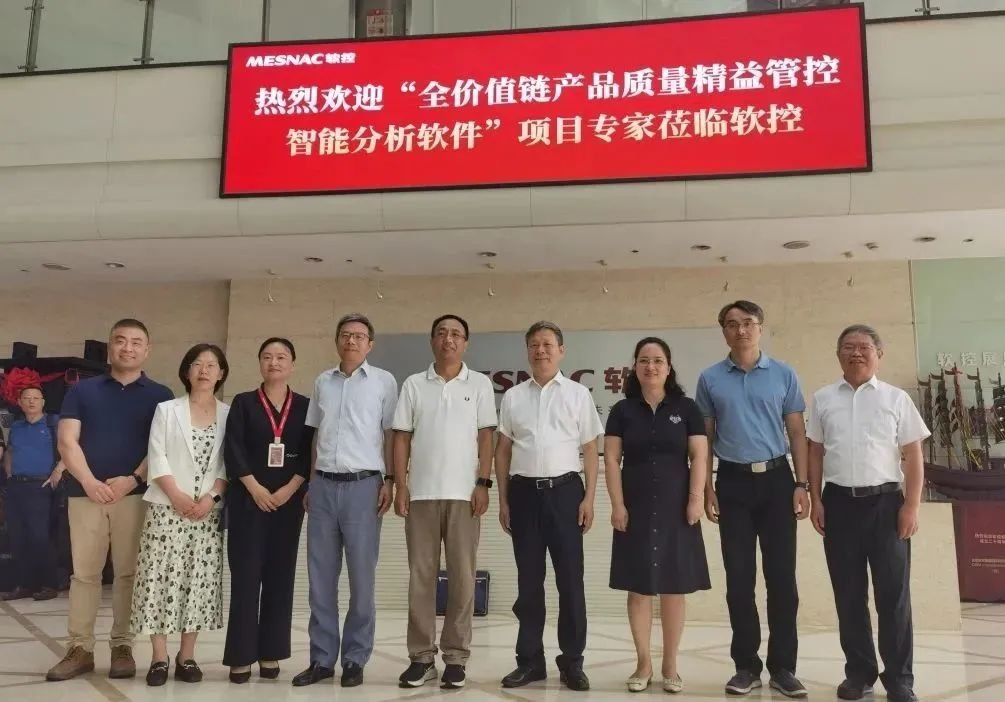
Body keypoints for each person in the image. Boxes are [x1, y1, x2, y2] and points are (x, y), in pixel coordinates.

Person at [47, 319, 173, 682]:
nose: (127, 348)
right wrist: (89, 482)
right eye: (120, 340)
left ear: (147, 350)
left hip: (135, 496)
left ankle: (122, 646)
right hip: (85, 495)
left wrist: (132, 479)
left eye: (136, 342)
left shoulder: (160, 395)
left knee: (128, 574)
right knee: (84, 574)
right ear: (109, 347)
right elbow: (67, 441)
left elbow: (162, 447)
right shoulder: (82, 391)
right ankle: (80, 648)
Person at [807, 325, 929, 702]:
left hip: (886, 505)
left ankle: (899, 679)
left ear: (879, 354)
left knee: (893, 596)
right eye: (848, 347)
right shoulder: (823, 398)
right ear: (838, 354)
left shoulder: (896, 398)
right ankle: (859, 673)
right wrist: (816, 499)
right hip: (839, 504)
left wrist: (911, 505)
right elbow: (815, 453)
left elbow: (913, 455)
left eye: (864, 347)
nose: (856, 353)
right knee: (848, 594)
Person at [695, 300, 809, 698]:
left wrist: (802, 484)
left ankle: (784, 667)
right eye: (731, 324)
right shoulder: (710, 378)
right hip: (732, 483)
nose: (740, 330)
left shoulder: (783, 374)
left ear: (760, 327)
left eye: (747, 323)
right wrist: (707, 487)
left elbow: (797, 432)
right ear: (723, 331)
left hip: (778, 481)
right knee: (739, 580)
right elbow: (705, 438)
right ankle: (746, 666)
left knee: (782, 580)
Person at [495, 320, 603, 692]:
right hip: (523, 495)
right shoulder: (513, 397)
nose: (540, 351)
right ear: (527, 351)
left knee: (570, 582)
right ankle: (529, 661)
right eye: (534, 345)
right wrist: (503, 499)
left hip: (566, 493)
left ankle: (572, 662)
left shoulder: (578, 394)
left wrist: (589, 498)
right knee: (529, 583)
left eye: (547, 344)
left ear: (561, 350)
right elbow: (503, 450)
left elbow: (590, 448)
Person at [392, 315, 497, 690]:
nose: (448, 339)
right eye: (441, 333)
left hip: (464, 495)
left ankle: (455, 658)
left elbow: (487, 437)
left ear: (465, 342)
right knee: (421, 578)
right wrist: (400, 485)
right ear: (432, 340)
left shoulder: (480, 384)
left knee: (463, 578)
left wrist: (483, 483)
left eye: (455, 334)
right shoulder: (414, 384)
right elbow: (401, 437)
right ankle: (421, 658)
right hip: (420, 495)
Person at [293, 313, 397, 689]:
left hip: (364, 487)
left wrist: (390, 480)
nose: (351, 341)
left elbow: (391, 434)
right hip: (322, 486)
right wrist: (310, 482)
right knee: (320, 579)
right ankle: (322, 659)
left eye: (359, 336)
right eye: (345, 335)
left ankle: (355, 658)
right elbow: (315, 436)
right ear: (337, 340)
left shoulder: (384, 382)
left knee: (361, 579)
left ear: (370, 344)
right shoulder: (323, 381)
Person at [604, 337, 711, 694]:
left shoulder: (686, 407)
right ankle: (643, 664)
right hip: (634, 507)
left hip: (676, 507)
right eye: (644, 360)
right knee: (638, 588)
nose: (651, 366)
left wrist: (695, 499)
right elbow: (611, 460)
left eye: (658, 360)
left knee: (674, 587)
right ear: (635, 366)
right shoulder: (622, 411)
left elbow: (699, 455)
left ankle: (670, 666)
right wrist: (617, 504)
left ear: (669, 367)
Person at [131, 344, 230, 686]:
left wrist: (211, 498)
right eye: (197, 364)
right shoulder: (167, 409)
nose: (204, 370)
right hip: (166, 509)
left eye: (211, 365)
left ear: (221, 373)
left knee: (196, 583)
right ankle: (159, 658)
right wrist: (176, 495)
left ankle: (186, 657)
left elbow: (229, 463)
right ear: (186, 371)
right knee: (158, 581)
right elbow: (156, 454)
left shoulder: (229, 414)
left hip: (206, 513)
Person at [223, 338, 313, 683]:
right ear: (259, 362)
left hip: (288, 503)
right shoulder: (243, 403)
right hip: (248, 500)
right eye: (267, 357)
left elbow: (309, 452)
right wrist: (255, 488)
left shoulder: (305, 406)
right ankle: (241, 655)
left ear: (292, 364)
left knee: (280, 577)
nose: (274, 362)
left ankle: (271, 651)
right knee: (246, 577)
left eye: (281, 357)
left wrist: (290, 489)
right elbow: (233, 449)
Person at [1, 385, 60, 601]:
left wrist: (58, 471)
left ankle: (49, 584)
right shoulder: (16, 426)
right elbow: (10, 451)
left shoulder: (54, 423)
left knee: (39, 536)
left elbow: (71, 448)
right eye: (27, 398)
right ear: (20, 402)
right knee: (17, 536)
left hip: (40, 486)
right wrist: (9, 473)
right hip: (16, 486)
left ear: (43, 401)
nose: (31, 401)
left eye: (36, 398)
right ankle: (25, 585)